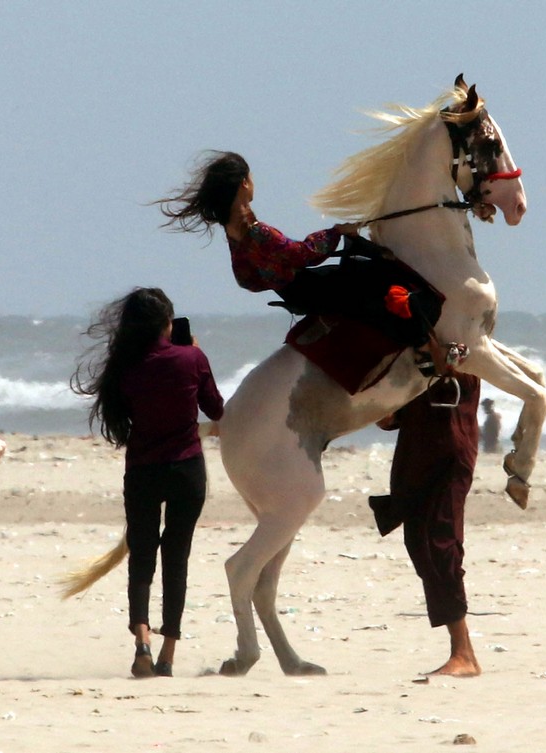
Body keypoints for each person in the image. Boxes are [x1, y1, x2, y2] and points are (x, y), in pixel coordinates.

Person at [155, 151, 449, 371]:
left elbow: (247, 277)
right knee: (378, 272)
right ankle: (423, 345)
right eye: (252, 178)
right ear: (244, 183)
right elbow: (303, 254)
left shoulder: (233, 231)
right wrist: (336, 232)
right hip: (310, 288)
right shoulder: (256, 232)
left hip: (294, 290)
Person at [72, 287, 224, 678]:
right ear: (168, 323)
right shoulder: (191, 357)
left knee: (142, 556)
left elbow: (121, 415)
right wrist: (194, 353)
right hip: (186, 468)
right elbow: (216, 409)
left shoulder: (125, 365)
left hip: (142, 469)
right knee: (177, 557)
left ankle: (142, 640)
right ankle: (168, 654)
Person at [368, 374, 483, 677]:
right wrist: (390, 414)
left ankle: (463, 653)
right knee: (419, 542)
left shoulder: (463, 351)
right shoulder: (421, 355)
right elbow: (410, 402)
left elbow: (453, 391)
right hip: (417, 455)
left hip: (449, 454)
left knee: (440, 544)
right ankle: (462, 651)